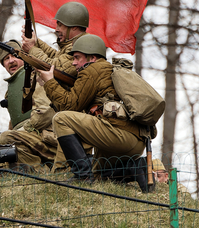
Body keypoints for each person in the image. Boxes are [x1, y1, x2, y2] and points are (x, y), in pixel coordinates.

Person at [37, 34, 146, 183]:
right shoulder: (109, 70)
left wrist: (49, 82)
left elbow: (68, 106)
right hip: (135, 142)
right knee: (99, 175)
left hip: (118, 135)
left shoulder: (92, 70)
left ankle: (82, 176)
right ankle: (134, 168)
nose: (74, 63)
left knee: (61, 119)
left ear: (92, 58)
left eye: (77, 58)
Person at [0, 40, 58, 171]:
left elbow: (45, 112)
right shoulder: (12, 90)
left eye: (14, 55)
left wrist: (20, 132)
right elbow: (16, 122)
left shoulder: (37, 76)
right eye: (6, 59)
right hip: (32, 138)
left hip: (50, 139)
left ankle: (42, 176)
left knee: (6, 138)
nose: (11, 61)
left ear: (23, 56)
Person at [20, 1, 89, 78]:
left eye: (60, 25)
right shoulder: (75, 43)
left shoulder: (81, 46)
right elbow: (55, 56)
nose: (56, 29)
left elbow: (55, 68)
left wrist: (31, 49)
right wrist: (36, 41)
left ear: (74, 27)